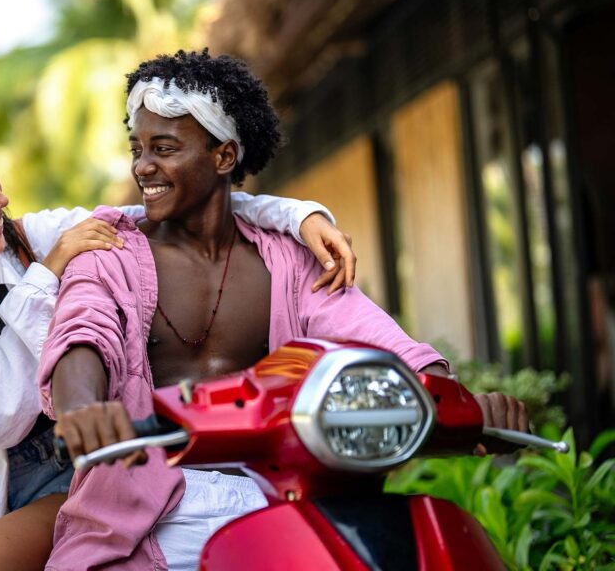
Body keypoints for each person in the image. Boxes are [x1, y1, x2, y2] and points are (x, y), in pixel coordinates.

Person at [39, 49, 529, 571]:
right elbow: (83, 335)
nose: (143, 166)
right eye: (137, 148)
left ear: (224, 157)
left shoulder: (290, 258)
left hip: (283, 509)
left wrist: (459, 401)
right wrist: (83, 408)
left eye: (164, 148)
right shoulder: (107, 250)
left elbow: (377, 339)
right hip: (140, 521)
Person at [0, 107, 358, 571]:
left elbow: (173, 211)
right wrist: (46, 278)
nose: (3, 198)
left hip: (81, 467)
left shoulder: (29, 239)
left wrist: (297, 215)